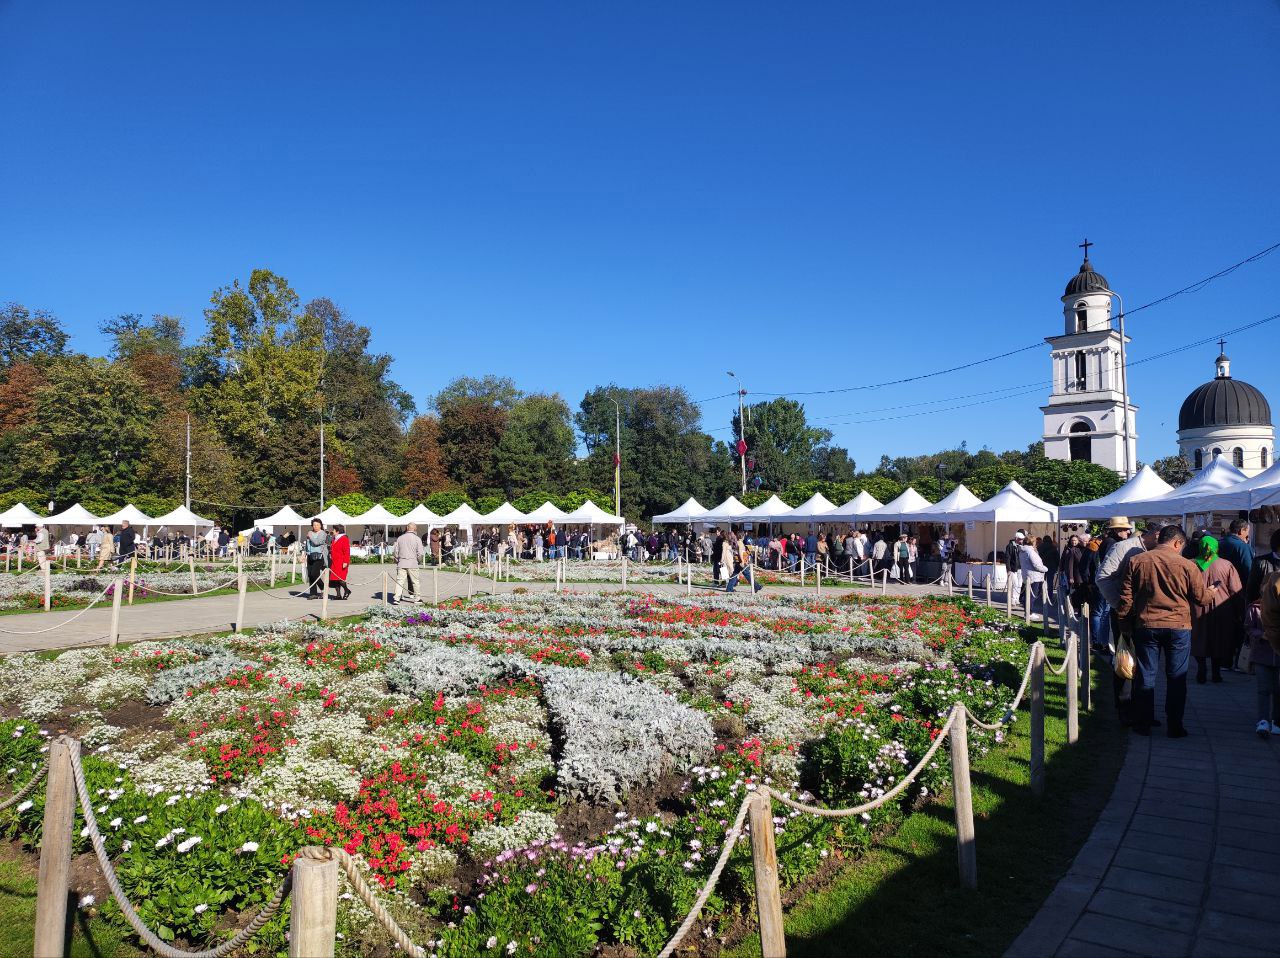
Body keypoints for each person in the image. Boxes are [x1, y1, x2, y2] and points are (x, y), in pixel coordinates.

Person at [1117, 525, 1210, 738]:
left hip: (1146, 625)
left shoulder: (1137, 561)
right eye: (1182, 547)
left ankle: (1143, 723)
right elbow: (1201, 598)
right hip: (1178, 626)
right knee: (1177, 677)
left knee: (1146, 676)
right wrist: (1212, 591)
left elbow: (1126, 599)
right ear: (1177, 543)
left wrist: (1124, 625)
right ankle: (1175, 726)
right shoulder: (1188, 565)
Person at [1190, 535, 1242, 684]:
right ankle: (1216, 672)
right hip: (1222, 609)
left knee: (1199, 638)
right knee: (1219, 639)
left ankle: (1201, 669)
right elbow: (1236, 591)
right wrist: (1239, 611)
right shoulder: (1226, 565)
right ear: (1217, 548)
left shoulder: (1191, 564)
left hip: (1196, 609)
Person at [1217, 519, 1253, 592]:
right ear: (1241, 531)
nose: (1247, 535)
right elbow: (1248, 570)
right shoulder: (1243, 547)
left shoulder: (1217, 543)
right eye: (1247, 532)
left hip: (1217, 586)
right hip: (1237, 589)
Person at [393, 522, 425, 603]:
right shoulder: (417, 539)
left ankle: (397, 598)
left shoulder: (400, 538)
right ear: (415, 529)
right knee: (415, 581)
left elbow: (396, 552)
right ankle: (417, 598)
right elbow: (420, 553)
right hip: (413, 563)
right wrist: (419, 561)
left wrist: (398, 559)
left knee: (400, 581)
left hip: (402, 563)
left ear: (407, 528)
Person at [1019, 536, 1048, 620]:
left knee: (1029, 595)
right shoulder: (1030, 551)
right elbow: (1037, 565)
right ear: (1033, 542)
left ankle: (1027, 612)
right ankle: (1029, 613)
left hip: (1027, 575)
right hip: (1034, 576)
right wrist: (1045, 569)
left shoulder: (1023, 551)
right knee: (1032, 595)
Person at [303, 519, 328, 598]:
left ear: (320, 525)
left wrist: (310, 535)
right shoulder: (310, 533)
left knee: (314, 573)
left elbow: (317, 542)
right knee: (310, 574)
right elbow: (307, 544)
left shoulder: (323, 533)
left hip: (319, 555)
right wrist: (304, 554)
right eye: (314, 525)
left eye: (317, 525)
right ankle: (313, 593)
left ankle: (323, 588)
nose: (315, 526)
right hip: (310, 555)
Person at [329, 524, 351, 600]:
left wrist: (345, 562)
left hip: (341, 561)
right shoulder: (334, 538)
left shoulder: (344, 538)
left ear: (337, 531)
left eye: (334, 530)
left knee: (340, 578)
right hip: (334, 561)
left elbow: (347, 551)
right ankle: (338, 595)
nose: (332, 531)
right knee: (334, 579)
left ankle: (347, 590)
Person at [1004, 532, 1026, 606]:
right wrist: (1009, 569)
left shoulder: (1021, 546)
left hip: (1020, 568)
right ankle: (1013, 599)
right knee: (1015, 584)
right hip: (1013, 568)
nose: (1021, 541)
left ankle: (1017, 599)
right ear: (1016, 538)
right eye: (1020, 539)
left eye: (1022, 539)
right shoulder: (1010, 546)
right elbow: (1007, 558)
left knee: (1019, 584)